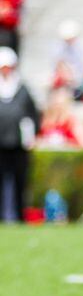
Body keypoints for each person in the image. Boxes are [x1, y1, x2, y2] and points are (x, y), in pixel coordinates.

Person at [0, 47, 39, 221]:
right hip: (1, 143)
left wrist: (32, 134)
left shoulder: (22, 88)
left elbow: (33, 114)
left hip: (19, 143)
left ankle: (19, 215)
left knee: (20, 180)